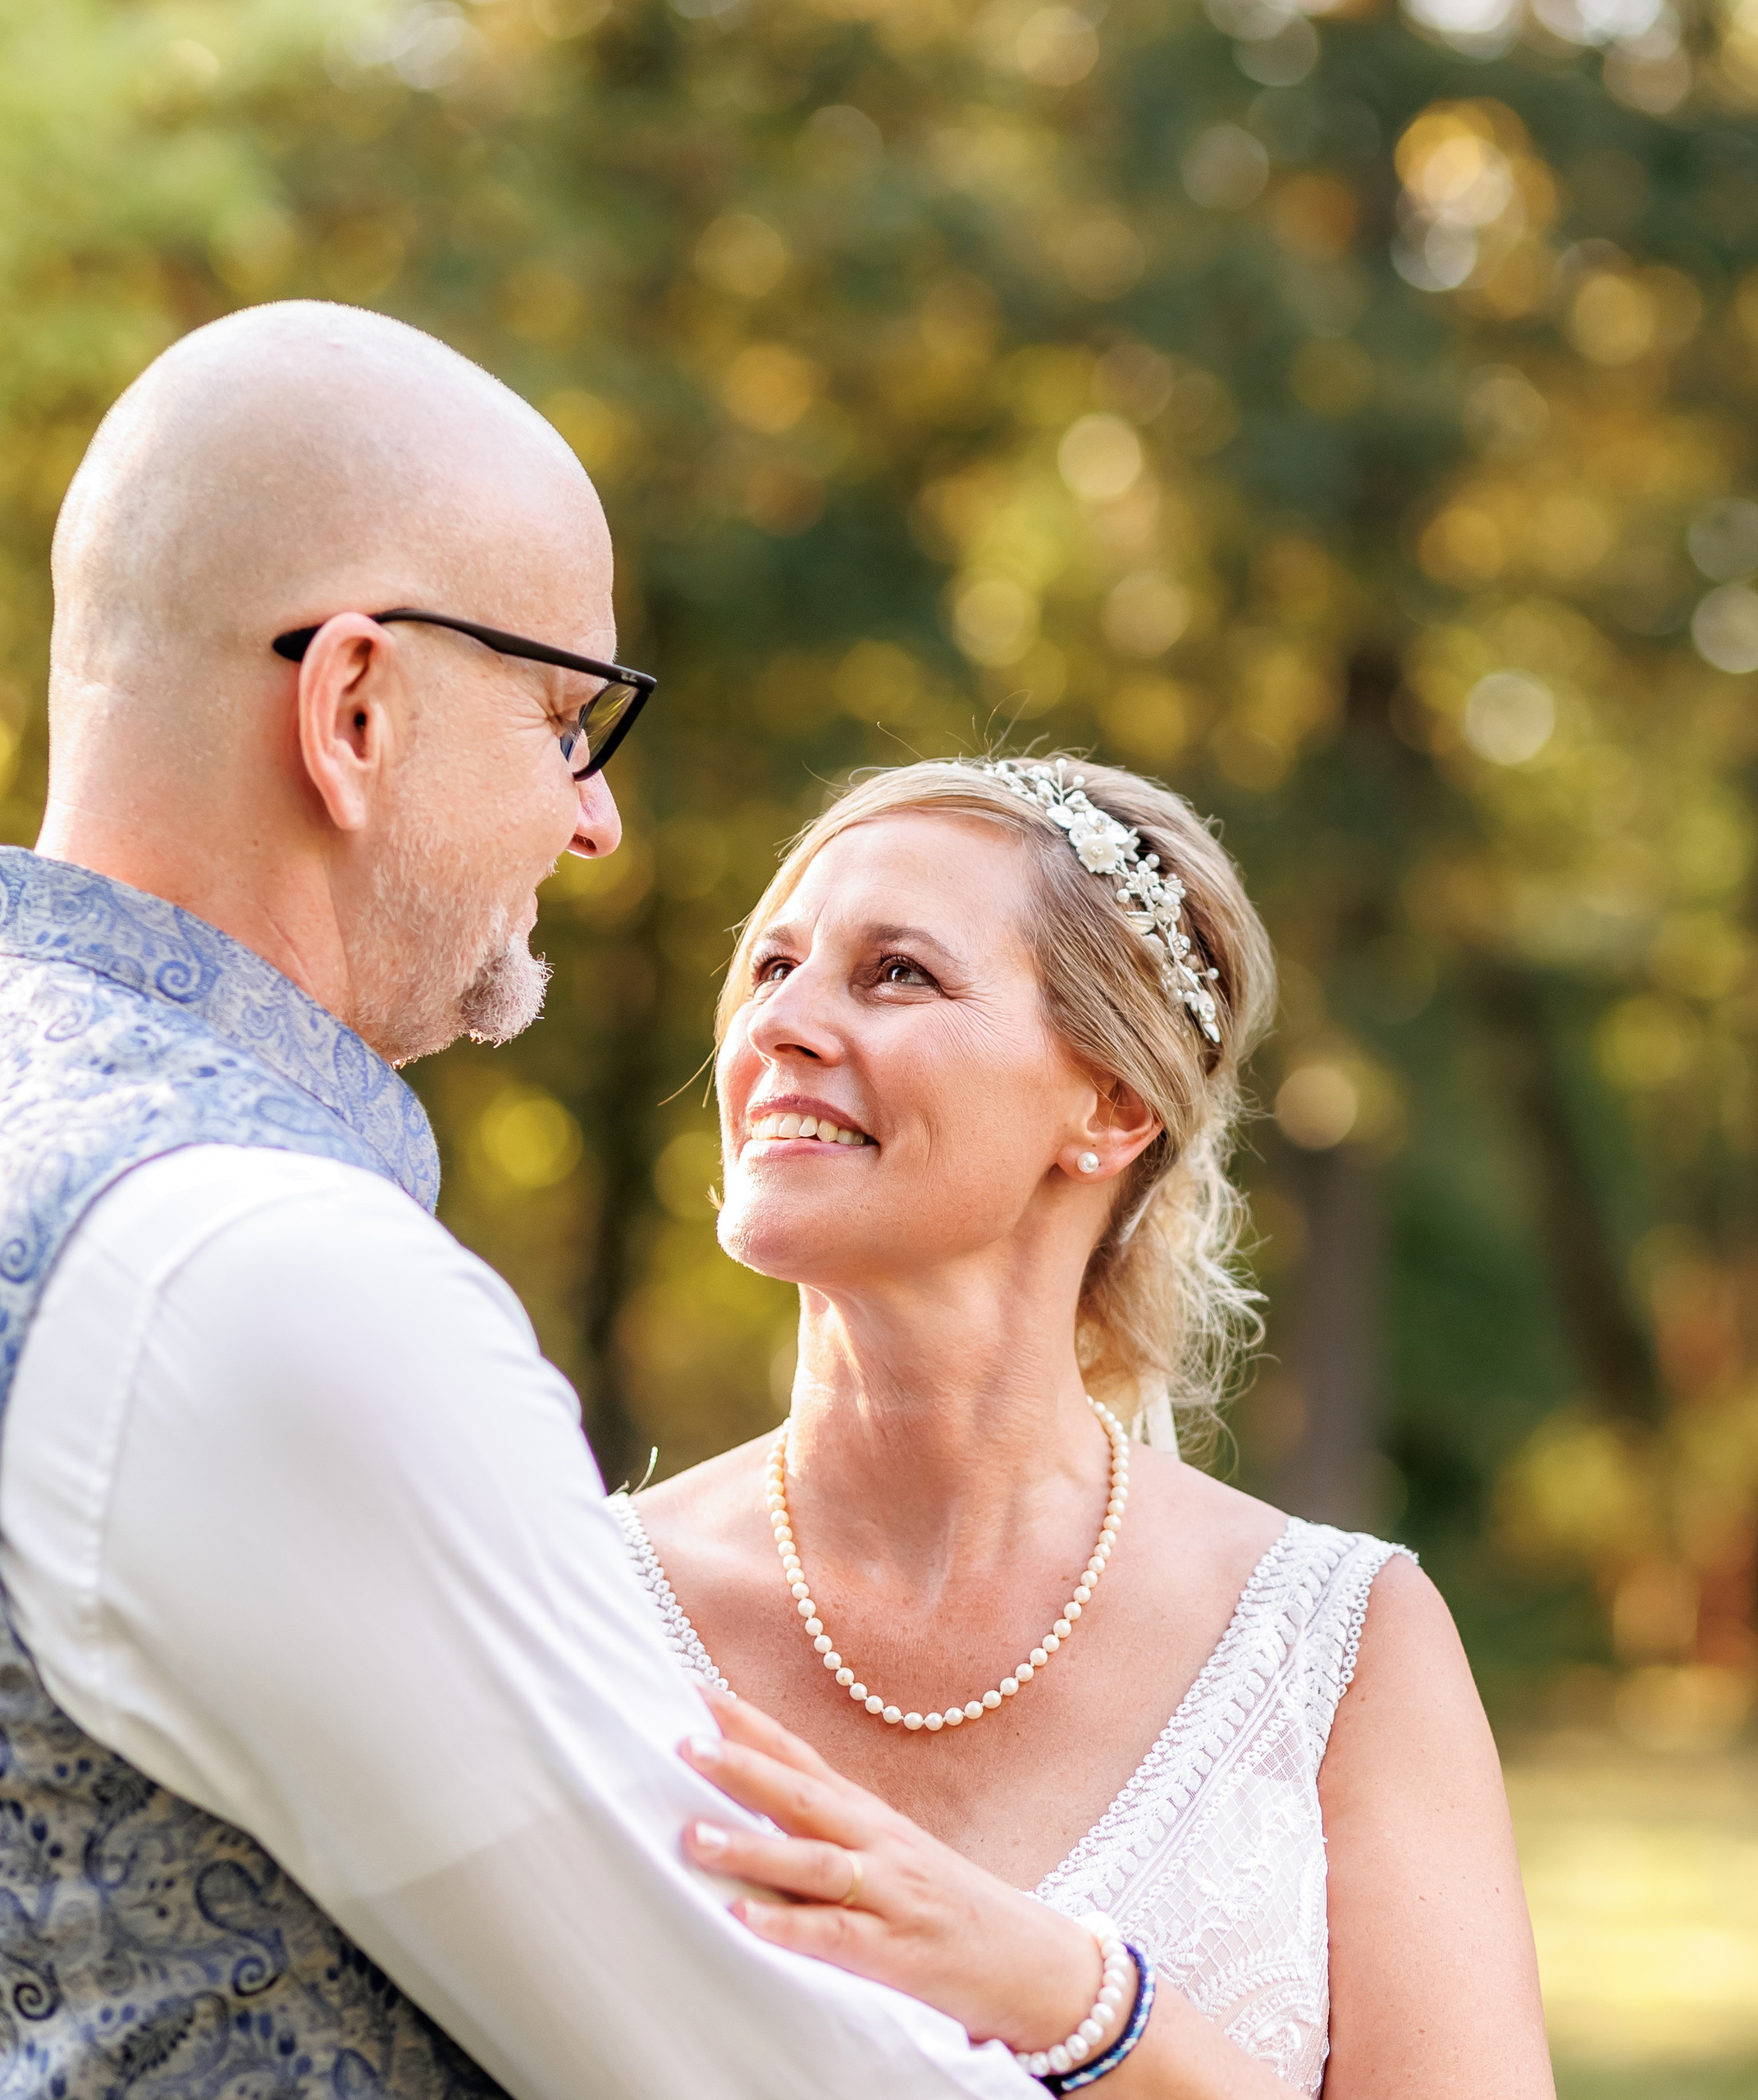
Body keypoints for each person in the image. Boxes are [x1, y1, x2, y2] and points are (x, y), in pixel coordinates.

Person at [0, 303, 1043, 2097]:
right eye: (567, 717)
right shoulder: (266, 1270)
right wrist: (1124, 2013)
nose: (593, 824)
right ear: (351, 708)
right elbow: (760, 2061)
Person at [616, 757, 1559, 2096]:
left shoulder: (1337, 1649)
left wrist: (1074, 2001)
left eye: (896, 974)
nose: (783, 1024)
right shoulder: (581, 1604)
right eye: (771, 969)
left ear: (1112, 1105)